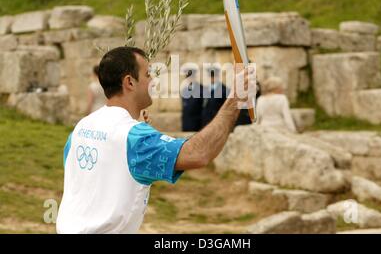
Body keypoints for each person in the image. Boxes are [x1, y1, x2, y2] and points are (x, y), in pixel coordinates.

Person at [56, 47, 256, 234]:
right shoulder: (134, 138)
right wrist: (234, 100)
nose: (153, 81)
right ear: (129, 82)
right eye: (148, 74)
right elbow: (198, 154)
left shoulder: (82, 127)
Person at [180, 65, 204, 132]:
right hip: (186, 123)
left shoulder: (201, 89)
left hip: (197, 124)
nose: (189, 79)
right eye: (187, 77)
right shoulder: (184, 89)